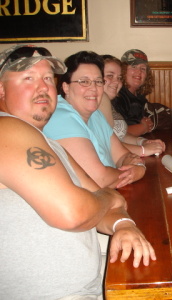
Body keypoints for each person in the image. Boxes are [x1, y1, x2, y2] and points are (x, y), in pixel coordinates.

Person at [0, 44, 156, 299]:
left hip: (92, 281)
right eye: (28, 78)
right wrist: (108, 199)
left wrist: (123, 223)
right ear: (1, 89)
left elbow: (105, 199)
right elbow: (74, 212)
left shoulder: (46, 142)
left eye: (48, 78)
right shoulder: (7, 129)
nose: (42, 87)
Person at [44, 51, 145, 189]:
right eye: (84, 82)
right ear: (66, 87)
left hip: (108, 197)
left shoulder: (96, 114)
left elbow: (122, 156)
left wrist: (138, 166)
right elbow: (99, 179)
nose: (93, 88)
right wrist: (135, 172)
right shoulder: (60, 116)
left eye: (98, 81)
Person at [99, 54, 165, 156]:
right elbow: (105, 144)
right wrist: (142, 150)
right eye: (110, 76)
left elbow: (121, 135)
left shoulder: (107, 101)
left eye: (119, 77)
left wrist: (142, 142)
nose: (116, 81)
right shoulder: (97, 103)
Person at [112, 49, 155, 136]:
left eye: (143, 69)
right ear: (123, 70)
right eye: (133, 67)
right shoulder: (117, 96)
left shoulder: (140, 97)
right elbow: (117, 134)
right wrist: (144, 127)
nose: (139, 72)